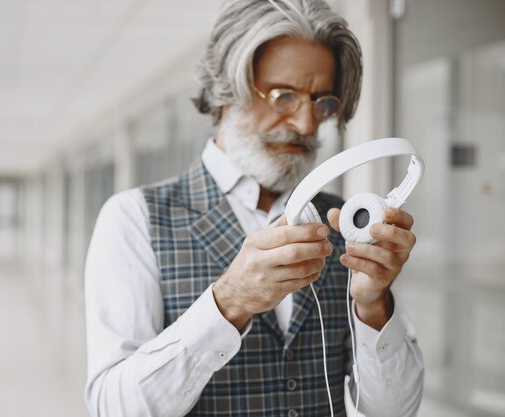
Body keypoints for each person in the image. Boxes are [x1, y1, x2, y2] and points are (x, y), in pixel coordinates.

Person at [84, 0, 424, 416]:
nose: (305, 124)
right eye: (284, 96)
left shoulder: (344, 221)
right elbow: (113, 408)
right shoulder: (135, 218)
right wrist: (229, 302)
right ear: (227, 88)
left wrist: (374, 305)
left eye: (322, 104)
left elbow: (395, 411)